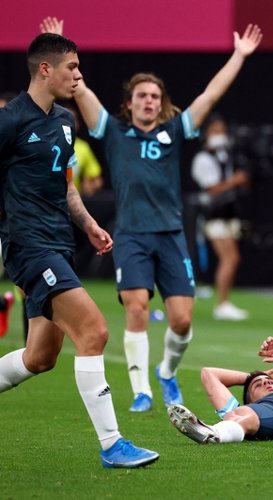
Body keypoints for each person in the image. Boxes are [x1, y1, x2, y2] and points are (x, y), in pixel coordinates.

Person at [45, 17, 263, 412]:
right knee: (137, 308)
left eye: (155, 96)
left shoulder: (175, 131)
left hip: (170, 234)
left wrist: (239, 55)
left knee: (181, 321)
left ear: (162, 103)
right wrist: (59, 46)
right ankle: (141, 388)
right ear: (129, 102)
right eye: (142, 95)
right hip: (130, 235)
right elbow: (79, 87)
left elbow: (211, 95)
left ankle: (166, 371)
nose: (149, 101)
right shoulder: (112, 130)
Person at [0, 31, 158, 468]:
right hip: (29, 248)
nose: (79, 74)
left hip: (59, 243)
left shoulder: (66, 121)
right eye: (72, 67)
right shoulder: (10, 121)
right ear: (45, 69)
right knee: (95, 331)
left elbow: (66, 186)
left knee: (40, 357)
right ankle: (113, 445)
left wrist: (89, 224)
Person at [191, 115, 251, 321]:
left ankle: (224, 302)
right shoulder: (202, 159)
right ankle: (222, 304)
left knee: (232, 258)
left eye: (222, 130)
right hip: (212, 214)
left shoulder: (227, 156)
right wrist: (235, 181)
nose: (220, 135)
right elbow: (212, 189)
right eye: (215, 131)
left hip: (228, 213)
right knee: (229, 258)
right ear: (206, 134)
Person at [63, 102, 103, 197]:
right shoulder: (46, 144)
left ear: (78, 124)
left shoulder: (83, 147)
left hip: (72, 201)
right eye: (64, 120)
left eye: (73, 120)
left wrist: (90, 185)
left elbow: (97, 179)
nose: (69, 124)